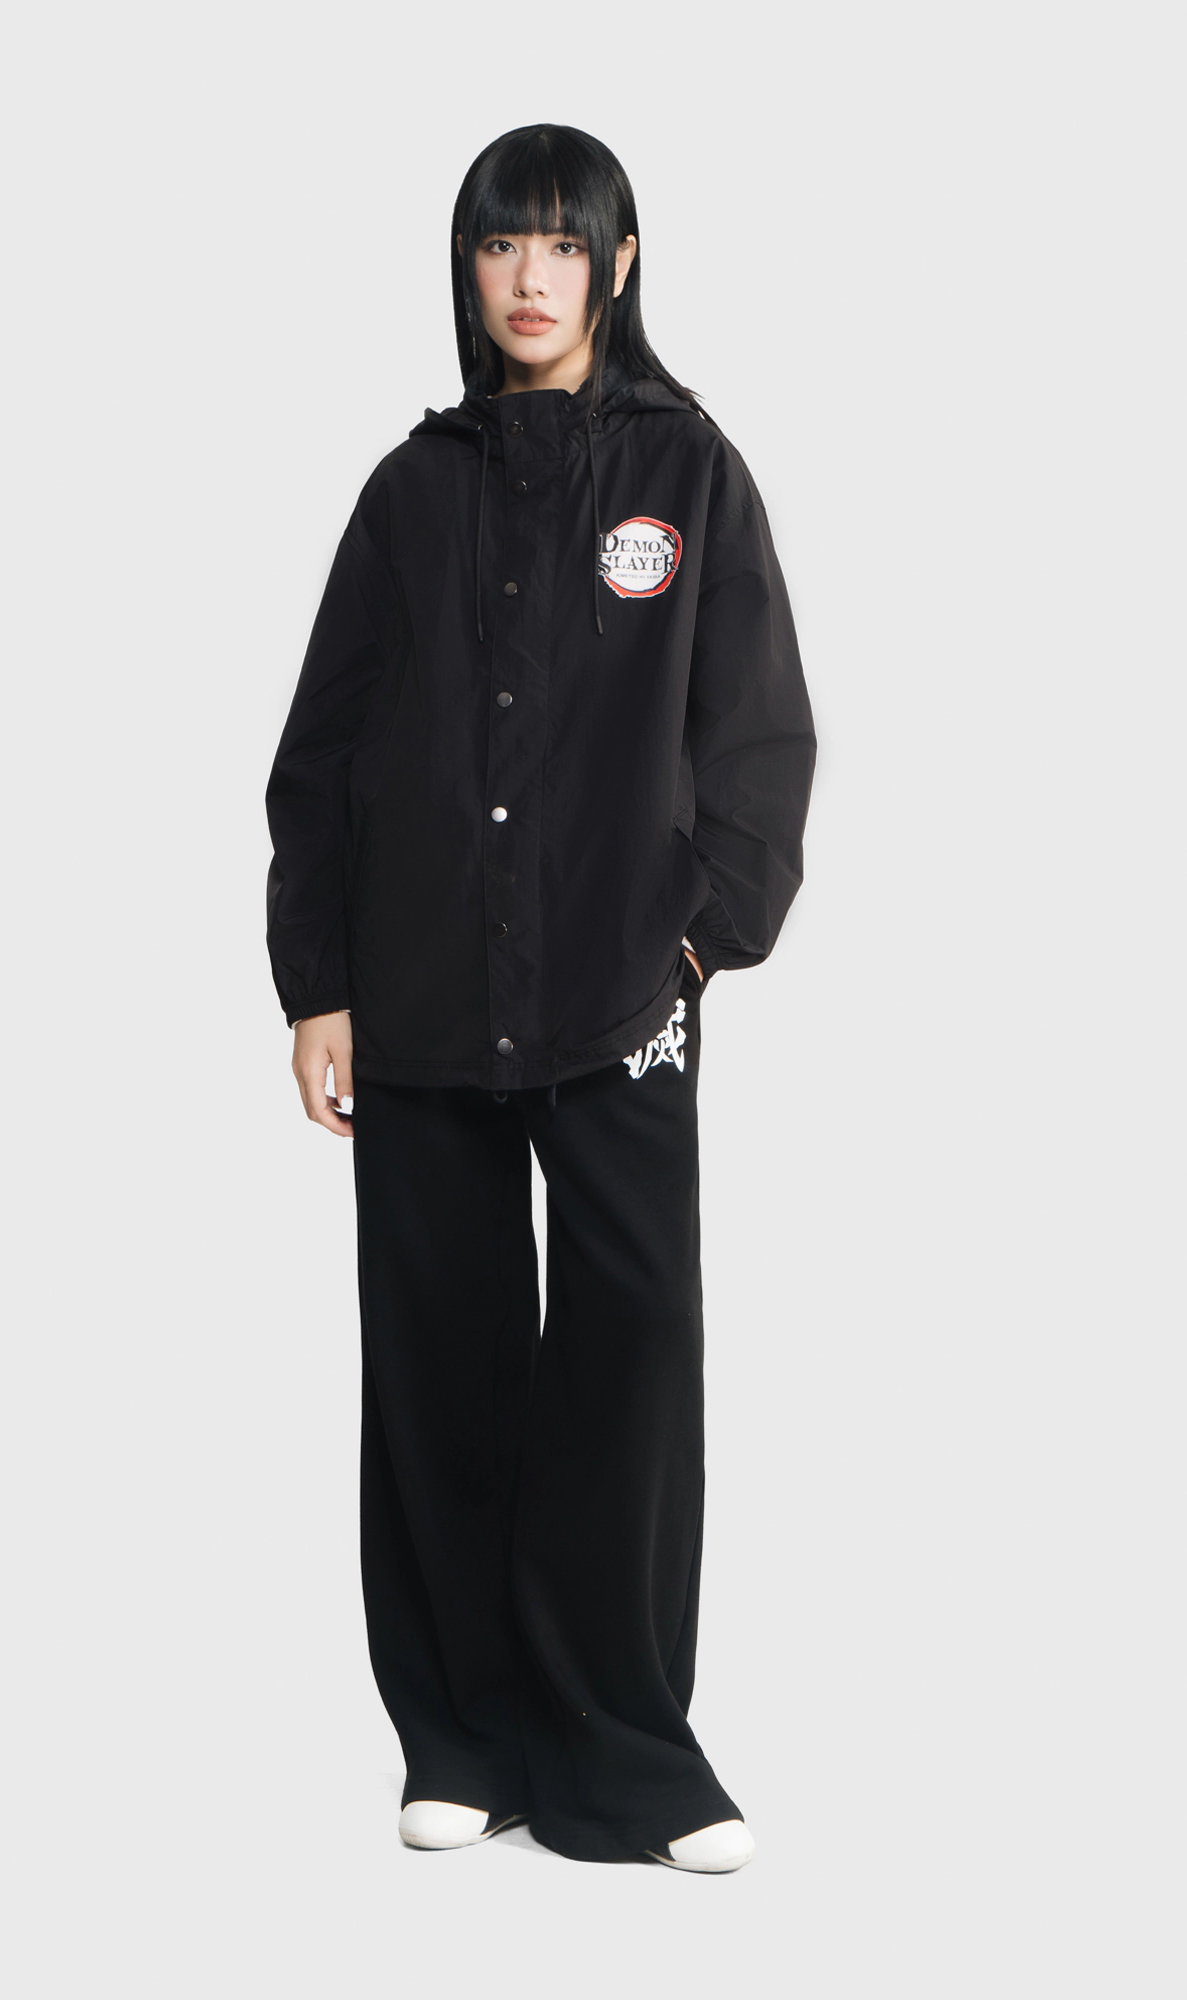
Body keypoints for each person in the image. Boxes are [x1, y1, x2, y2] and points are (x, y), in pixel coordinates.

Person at [265, 124, 816, 1871]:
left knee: (630, 1355)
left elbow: (758, 731)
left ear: (618, 267)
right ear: (468, 265)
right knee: (439, 1359)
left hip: (621, 994)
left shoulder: (687, 471)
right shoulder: (408, 491)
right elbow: (322, 752)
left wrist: (699, 938)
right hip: (422, 987)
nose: (530, 277)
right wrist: (319, 983)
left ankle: (628, 1756)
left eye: (563, 247)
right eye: (503, 244)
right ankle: (464, 1737)